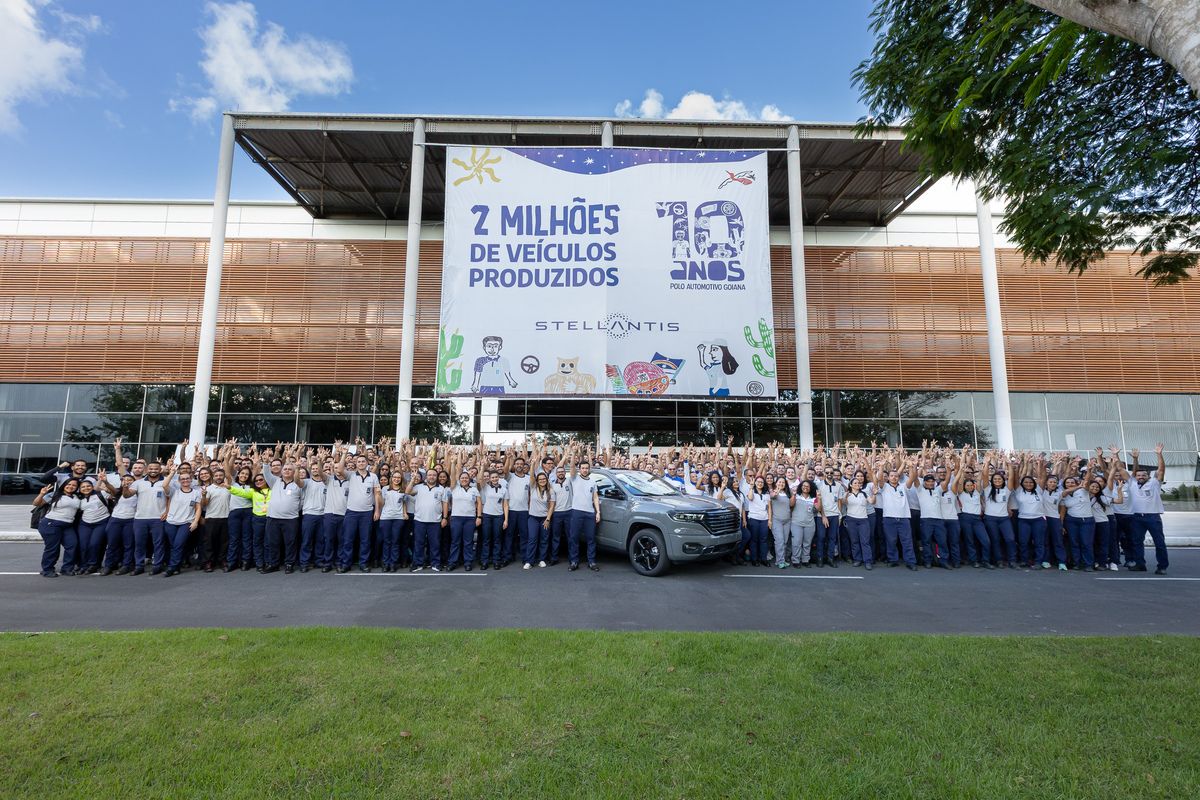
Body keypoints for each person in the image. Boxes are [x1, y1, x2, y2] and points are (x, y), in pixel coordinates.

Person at [1126, 445, 1168, 575]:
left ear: (1148, 477)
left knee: (1159, 542)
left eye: (1143, 475)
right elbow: (1125, 472)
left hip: (1153, 517)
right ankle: (1140, 564)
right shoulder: (1132, 483)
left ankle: (1162, 566)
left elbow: (1161, 470)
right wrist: (1134, 459)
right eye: (1138, 475)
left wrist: (1159, 454)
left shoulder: (1154, 483)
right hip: (1138, 517)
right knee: (1137, 541)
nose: (1140, 477)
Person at [124, 460, 170, 576]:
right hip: (141, 518)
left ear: (160, 470)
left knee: (158, 543)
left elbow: (171, 497)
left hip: (158, 518)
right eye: (151, 469)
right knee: (139, 543)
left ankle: (158, 565)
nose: (153, 471)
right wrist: (124, 488)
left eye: (156, 469)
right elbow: (127, 495)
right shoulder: (139, 483)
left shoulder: (166, 482)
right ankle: (139, 565)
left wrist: (167, 511)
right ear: (146, 470)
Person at [262, 458, 305, 574]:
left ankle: (289, 563)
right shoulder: (275, 481)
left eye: (290, 469)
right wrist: (266, 463)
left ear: (294, 472)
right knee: (273, 542)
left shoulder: (299, 485)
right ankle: (274, 563)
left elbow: (302, 501)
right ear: (281, 471)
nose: (287, 471)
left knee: (290, 542)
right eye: (285, 469)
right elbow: (266, 473)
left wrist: (293, 509)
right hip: (273, 518)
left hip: (291, 519)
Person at [162, 467, 206, 577]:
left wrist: (195, 522)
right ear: (179, 481)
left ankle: (171, 567)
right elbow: (164, 485)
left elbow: (198, 508)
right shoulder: (174, 491)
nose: (185, 480)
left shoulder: (196, 493)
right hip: (171, 522)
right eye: (182, 479)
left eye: (187, 478)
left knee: (178, 545)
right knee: (174, 546)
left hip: (186, 523)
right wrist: (172, 473)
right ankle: (176, 567)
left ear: (191, 479)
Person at [33, 478, 81, 578]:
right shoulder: (55, 494)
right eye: (69, 484)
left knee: (72, 545)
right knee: (52, 548)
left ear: (77, 488)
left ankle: (67, 568)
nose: (70, 486)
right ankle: (47, 570)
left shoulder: (76, 497)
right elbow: (36, 503)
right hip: (51, 523)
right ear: (64, 485)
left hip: (68, 525)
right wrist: (42, 494)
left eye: (74, 485)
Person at [342, 454, 381, 573]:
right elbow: (339, 469)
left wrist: (377, 510)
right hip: (352, 512)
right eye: (359, 461)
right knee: (348, 539)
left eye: (363, 461)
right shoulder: (350, 475)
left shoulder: (373, 476)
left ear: (366, 463)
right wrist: (343, 454)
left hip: (367, 512)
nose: (361, 463)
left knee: (365, 539)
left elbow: (376, 494)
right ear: (356, 463)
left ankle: (363, 563)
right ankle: (346, 563)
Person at [875, 458, 917, 570]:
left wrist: (911, 466)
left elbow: (912, 479)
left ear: (899, 477)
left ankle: (910, 561)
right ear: (888, 478)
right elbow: (879, 479)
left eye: (896, 476)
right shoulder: (885, 487)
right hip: (889, 518)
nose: (894, 477)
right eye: (892, 476)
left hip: (904, 518)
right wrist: (882, 466)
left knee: (907, 541)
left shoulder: (903, 486)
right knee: (891, 540)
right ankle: (892, 560)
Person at [406, 468, 449, 571]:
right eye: (429, 475)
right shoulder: (419, 487)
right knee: (419, 543)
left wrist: (445, 518)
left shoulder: (441, 489)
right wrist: (412, 479)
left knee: (435, 544)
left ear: (436, 477)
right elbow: (407, 491)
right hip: (420, 520)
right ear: (426, 477)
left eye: (434, 475)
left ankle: (435, 563)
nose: (432, 477)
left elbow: (445, 504)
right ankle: (418, 563)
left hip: (435, 521)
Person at [567, 447, 601, 571]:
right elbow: (571, 468)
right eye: (583, 468)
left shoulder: (593, 482)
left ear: (589, 469)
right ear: (579, 469)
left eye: (587, 468)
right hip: (576, 512)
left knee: (591, 538)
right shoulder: (574, 478)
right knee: (574, 537)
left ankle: (591, 562)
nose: (585, 470)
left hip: (590, 513)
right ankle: (574, 561)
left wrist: (598, 512)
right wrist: (574, 452)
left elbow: (595, 497)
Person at [983, 454, 1017, 568]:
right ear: (992, 481)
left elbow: (1011, 477)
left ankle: (1012, 561)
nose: (997, 480)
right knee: (995, 540)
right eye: (995, 479)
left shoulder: (1006, 490)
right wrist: (987, 463)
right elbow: (984, 475)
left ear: (1003, 481)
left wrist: (1009, 464)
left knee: (1010, 539)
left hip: (1004, 519)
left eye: (1000, 479)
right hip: (990, 518)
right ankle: (998, 560)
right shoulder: (988, 489)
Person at [100, 472, 137, 575]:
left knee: (128, 545)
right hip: (116, 520)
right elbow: (112, 488)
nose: (127, 482)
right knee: (112, 544)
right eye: (124, 480)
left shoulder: (137, 493)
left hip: (130, 520)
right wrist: (105, 481)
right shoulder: (117, 492)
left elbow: (128, 494)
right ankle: (108, 566)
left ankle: (126, 565)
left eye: (130, 480)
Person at [75, 477, 112, 575]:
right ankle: (84, 565)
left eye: (88, 486)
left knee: (94, 544)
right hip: (85, 523)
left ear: (93, 487)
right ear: (79, 489)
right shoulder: (78, 498)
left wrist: (108, 489)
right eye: (83, 487)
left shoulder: (101, 494)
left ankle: (93, 564)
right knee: (83, 545)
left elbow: (115, 496)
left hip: (101, 522)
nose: (86, 488)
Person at [446, 463, 479, 572]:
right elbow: (453, 474)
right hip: (456, 518)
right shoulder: (454, 488)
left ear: (469, 479)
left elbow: (479, 503)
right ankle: (452, 562)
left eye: (466, 478)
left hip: (470, 518)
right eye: (462, 478)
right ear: (459, 479)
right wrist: (453, 462)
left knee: (468, 541)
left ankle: (468, 562)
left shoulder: (474, 489)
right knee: (455, 541)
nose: (464, 479)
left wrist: (479, 516)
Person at [1060, 476, 1095, 572]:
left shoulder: (1083, 491)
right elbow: (1062, 511)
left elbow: (1087, 481)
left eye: (1072, 482)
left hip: (1086, 520)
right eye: (1067, 482)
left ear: (1076, 483)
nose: (1070, 484)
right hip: (1071, 520)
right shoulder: (1063, 494)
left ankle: (1089, 564)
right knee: (1074, 543)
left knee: (1086, 543)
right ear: (1064, 484)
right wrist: (1062, 525)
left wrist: (1089, 470)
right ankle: (1077, 562)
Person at [199, 466, 230, 573]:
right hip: (212, 518)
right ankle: (208, 562)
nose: (218, 477)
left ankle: (222, 560)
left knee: (225, 542)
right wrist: (203, 496)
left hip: (226, 517)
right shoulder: (209, 489)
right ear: (213, 477)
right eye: (216, 475)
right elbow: (204, 505)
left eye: (221, 475)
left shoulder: (228, 487)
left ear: (224, 477)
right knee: (209, 542)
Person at [379, 472, 411, 572]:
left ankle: (393, 563)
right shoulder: (385, 489)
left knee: (395, 541)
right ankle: (386, 563)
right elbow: (381, 503)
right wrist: (378, 494)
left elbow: (404, 503)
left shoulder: (403, 490)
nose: (396, 479)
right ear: (391, 478)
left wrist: (405, 513)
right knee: (387, 542)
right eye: (395, 477)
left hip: (398, 518)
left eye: (398, 477)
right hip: (386, 517)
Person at [842, 475, 876, 569]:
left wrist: (874, 494)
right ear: (851, 485)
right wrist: (845, 497)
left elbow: (872, 502)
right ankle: (857, 559)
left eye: (858, 483)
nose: (857, 484)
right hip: (851, 519)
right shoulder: (848, 494)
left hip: (863, 520)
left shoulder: (864, 494)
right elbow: (843, 503)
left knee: (865, 541)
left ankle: (867, 561)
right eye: (855, 483)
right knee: (854, 541)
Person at [226, 466, 256, 572]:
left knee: (246, 538)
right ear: (238, 474)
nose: (244, 476)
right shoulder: (233, 484)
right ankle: (231, 562)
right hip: (235, 512)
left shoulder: (251, 486)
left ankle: (246, 561)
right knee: (234, 539)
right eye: (242, 473)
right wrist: (226, 457)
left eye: (247, 474)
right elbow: (227, 471)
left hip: (247, 513)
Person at [298, 463, 327, 572]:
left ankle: (318, 560)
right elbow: (297, 481)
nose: (315, 470)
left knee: (320, 540)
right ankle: (304, 563)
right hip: (309, 514)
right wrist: (297, 469)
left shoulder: (326, 483)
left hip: (322, 514)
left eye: (317, 468)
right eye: (313, 469)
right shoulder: (306, 482)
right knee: (306, 540)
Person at [478, 470, 508, 570]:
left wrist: (506, 519)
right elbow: (480, 479)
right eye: (493, 477)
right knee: (486, 539)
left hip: (498, 516)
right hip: (487, 516)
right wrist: (482, 466)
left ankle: (496, 560)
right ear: (490, 478)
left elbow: (505, 505)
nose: (495, 479)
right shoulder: (486, 487)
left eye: (496, 477)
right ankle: (485, 560)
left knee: (497, 539)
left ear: (498, 477)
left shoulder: (504, 489)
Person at [814, 469, 845, 568]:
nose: (829, 474)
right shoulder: (819, 485)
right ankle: (820, 558)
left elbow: (839, 501)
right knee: (821, 537)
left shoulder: (839, 486)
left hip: (835, 515)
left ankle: (830, 558)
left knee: (832, 538)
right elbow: (819, 501)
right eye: (827, 472)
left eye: (831, 473)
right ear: (824, 473)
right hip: (822, 515)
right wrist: (823, 516)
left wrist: (840, 516)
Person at [505, 455, 531, 567]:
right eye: (517, 464)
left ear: (524, 465)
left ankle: (525, 557)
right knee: (509, 535)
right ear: (514, 465)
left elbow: (530, 495)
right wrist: (508, 458)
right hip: (511, 510)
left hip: (524, 511)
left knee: (524, 535)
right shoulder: (509, 476)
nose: (519, 466)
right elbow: (505, 470)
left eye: (521, 464)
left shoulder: (528, 478)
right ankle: (507, 557)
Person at [788, 479, 819, 567]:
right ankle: (796, 560)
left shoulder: (813, 498)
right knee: (796, 542)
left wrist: (819, 498)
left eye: (808, 486)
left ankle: (805, 560)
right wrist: (793, 494)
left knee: (807, 543)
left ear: (811, 488)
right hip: (796, 523)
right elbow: (791, 504)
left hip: (809, 524)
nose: (805, 488)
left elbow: (819, 508)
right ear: (801, 487)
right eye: (804, 486)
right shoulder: (796, 496)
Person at [743, 475, 771, 567]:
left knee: (763, 540)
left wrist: (770, 519)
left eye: (762, 482)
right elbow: (750, 498)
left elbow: (769, 507)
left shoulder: (766, 493)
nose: (760, 483)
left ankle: (763, 558)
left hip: (764, 519)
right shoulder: (751, 491)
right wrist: (751, 488)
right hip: (754, 518)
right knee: (754, 539)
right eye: (758, 482)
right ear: (755, 483)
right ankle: (754, 559)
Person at [529, 471, 555, 568]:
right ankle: (529, 561)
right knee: (532, 539)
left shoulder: (551, 491)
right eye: (540, 479)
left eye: (544, 479)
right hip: (533, 518)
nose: (542, 481)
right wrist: (532, 465)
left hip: (545, 518)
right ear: (537, 481)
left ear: (546, 480)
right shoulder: (533, 488)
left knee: (544, 539)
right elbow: (531, 476)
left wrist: (548, 519)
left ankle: (541, 559)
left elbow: (551, 507)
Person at [768, 477, 793, 569]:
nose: (781, 484)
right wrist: (776, 492)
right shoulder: (772, 492)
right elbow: (772, 496)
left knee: (785, 542)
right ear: (776, 483)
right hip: (776, 520)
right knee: (779, 541)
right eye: (779, 482)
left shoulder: (787, 493)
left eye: (783, 482)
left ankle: (782, 558)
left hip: (787, 520)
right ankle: (780, 561)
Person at [548, 465, 571, 566]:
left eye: (562, 471)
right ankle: (554, 558)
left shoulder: (570, 481)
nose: (561, 473)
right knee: (556, 537)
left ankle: (572, 558)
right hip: (557, 513)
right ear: (556, 474)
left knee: (571, 536)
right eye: (559, 472)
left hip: (569, 512)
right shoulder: (552, 485)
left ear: (565, 473)